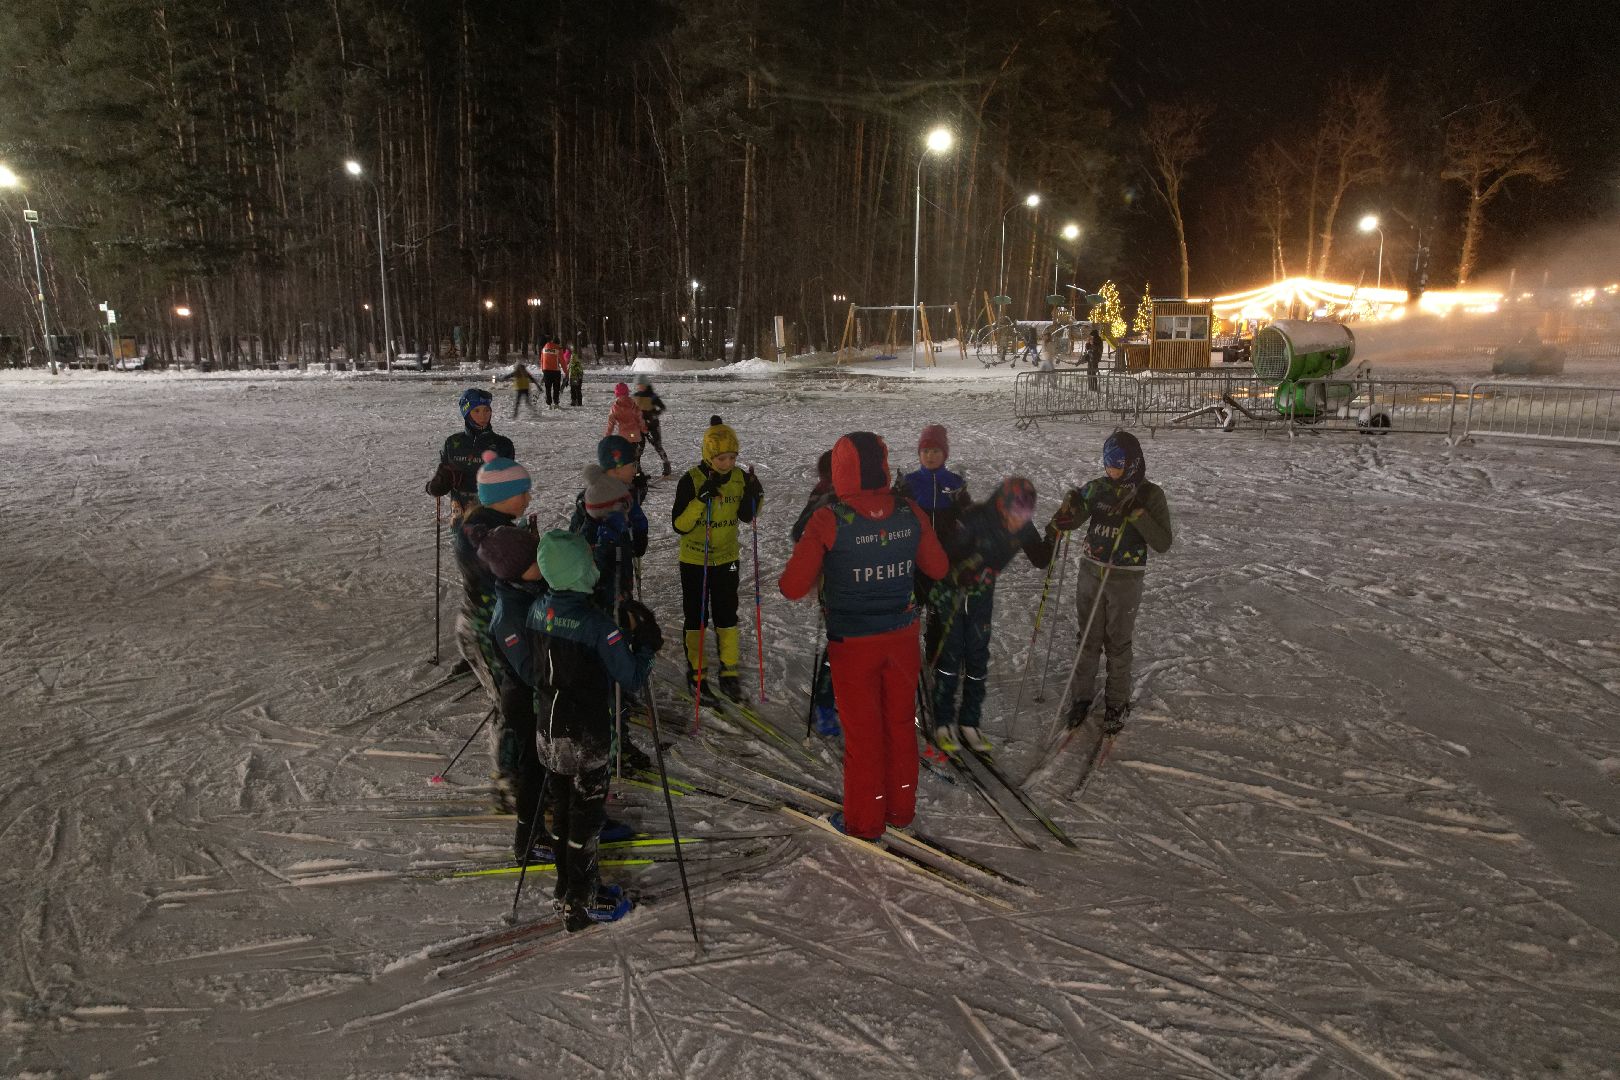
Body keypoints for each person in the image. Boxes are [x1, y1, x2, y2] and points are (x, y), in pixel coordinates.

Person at [778, 432, 948, 840]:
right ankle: (901, 810)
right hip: (902, 638)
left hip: (854, 645)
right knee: (901, 727)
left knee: (864, 736)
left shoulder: (831, 518)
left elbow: (792, 586)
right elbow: (939, 567)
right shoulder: (908, 511)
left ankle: (865, 821)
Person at [526, 529, 665, 931]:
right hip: (584, 733)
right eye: (587, 563)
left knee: (564, 806)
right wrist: (645, 644)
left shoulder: (539, 609)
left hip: (547, 729)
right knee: (585, 815)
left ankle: (567, 886)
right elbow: (630, 676)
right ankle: (581, 901)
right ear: (577, 571)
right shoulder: (596, 625)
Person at [1047, 430, 1174, 735]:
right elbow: (1071, 520)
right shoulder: (1098, 488)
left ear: (1132, 462)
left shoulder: (1149, 494)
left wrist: (1139, 515)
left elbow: (1163, 542)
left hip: (1124, 579)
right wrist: (1066, 512)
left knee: (1117, 643)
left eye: (1118, 463)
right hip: (1091, 572)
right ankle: (1081, 698)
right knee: (1088, 639)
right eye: (1107, 461)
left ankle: (1116, 702)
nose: (1111, 469)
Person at [927, 477, 1053, 755]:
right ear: (1001, 506)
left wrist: (1055, 531)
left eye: (1024, 516)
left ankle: (969, 721)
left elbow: (1041, 558)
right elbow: (939, 560)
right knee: (950, 656)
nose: (1018, 522)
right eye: (1014, 514)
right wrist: (960, 572)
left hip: (981, 598)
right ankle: (943, 720)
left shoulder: (1023, 527)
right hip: (953, 596)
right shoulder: (974, 520)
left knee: (977, 657)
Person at [569, 435, 655, 773]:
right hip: (600, 596)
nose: (636, 469)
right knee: (609, 656)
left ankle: (621, 693)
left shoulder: (626, 496)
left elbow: (635, 545)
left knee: (625, 641)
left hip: (620, 589)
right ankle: (615, 741)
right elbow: (577, 549)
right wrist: (603, 538)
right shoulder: (591, 501)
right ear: (616, 467)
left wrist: (637, 531)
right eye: (631, 464)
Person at [453, 452, 533, 809]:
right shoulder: (483, 533)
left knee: (516, 699)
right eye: (522, 492)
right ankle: (508, 780)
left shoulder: (494, 526)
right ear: (501, 497)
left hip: (501, 626)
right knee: (508, 702)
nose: (528, 498)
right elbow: (514, 567)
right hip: (485, 630)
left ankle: (519, 769)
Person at [670, 415, 763, 701]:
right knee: (696, 614)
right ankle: (696, 669)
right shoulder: (691, 480)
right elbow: (679, 525)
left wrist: (754, 493)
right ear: (709, 456)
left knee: (726, 612)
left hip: (726, 558)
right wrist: (700, 500)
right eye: (721, 458)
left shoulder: (738, 478)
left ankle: (729, 669)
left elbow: (747, 516)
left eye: (732, 457)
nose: (728, 464)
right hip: (695, 560)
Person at [476, 526, 550, 858]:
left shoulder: (529, 589)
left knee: (546, 765)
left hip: (538, 697)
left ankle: (547, 827)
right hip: (524, 700)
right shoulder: (509, 614)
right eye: (535, 558)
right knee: (533, 767)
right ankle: (529, 837)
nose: (542, 561)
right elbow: (531, 671)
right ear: (517, 567)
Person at [790, 449, 839, 737]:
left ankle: (842, 698)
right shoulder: (823, 494)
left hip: (860, 581)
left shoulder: (862, 493)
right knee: (837, 646)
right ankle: (824, 702)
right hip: (833, 584)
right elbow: (799, 531)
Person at [424, 388, 515, 522]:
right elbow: (443, 475)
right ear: (466, 413)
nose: (483, 415)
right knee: (462, 542)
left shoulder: (502, 444)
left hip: (491, 518)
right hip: (460, 517)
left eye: (487, 410)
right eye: (476, 411)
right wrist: (436, 486)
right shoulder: (453, 443)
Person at [631, 377, 673, 476]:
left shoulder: (652, 396)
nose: (639, 387)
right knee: (639, 447)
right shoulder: (635, 396)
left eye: (641, 384)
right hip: (640, 427)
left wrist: (654, 415)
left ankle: (666, 464)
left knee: (657, 445)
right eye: (638, 385)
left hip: (652, 426)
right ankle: (637, 467)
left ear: (646, 385)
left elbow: (662, 407)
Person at [540, 335, 567, 408]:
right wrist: (566, 372)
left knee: (548, 387)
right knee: (556, 388)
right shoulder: (558, 348)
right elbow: (562, 361)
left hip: (546, 370)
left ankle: (549, 404)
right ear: (558, 342)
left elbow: (542, 359)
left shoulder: (544, 347)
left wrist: (542, 369)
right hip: (555, 371)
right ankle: (556, 403)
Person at [1085, 324, 1103, 392]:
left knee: (1092, 373)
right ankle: (1091, 386)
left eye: (1091, 336)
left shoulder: (1098, 339)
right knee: (1090, 373)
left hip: (1094, 359)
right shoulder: (1093, 339)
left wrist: (1091, 343)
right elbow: (1088, 348)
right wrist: (1087, 343)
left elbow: (1097, 349)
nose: (1091, 337)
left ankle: (1093, 387)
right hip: (1091, 358)